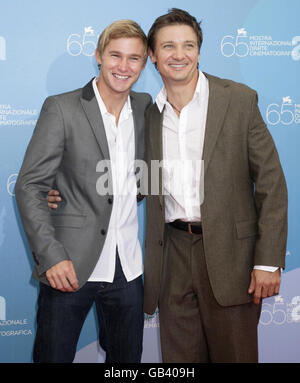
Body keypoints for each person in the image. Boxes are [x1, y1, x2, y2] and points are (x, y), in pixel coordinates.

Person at [142, 8, 287, 362]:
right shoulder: (147, 113)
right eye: (168, 47)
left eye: (188, 45)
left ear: (199, 51)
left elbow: (271, 182)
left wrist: (267, 261)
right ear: (153, 56)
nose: (179, 55)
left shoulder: (237, 99)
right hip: (172, 254)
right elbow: (134, 179)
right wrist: (66, 195)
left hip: (232, 257)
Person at [15, 19, 151, 363]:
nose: (124, 66)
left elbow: (141, 179)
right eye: (115, 56)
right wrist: (51, 256)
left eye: (133, 58)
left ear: (144, 63)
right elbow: (30, 185)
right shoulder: (61, 107)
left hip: (128, 268)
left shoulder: (147, 107)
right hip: (69, 263)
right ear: (98, 56)